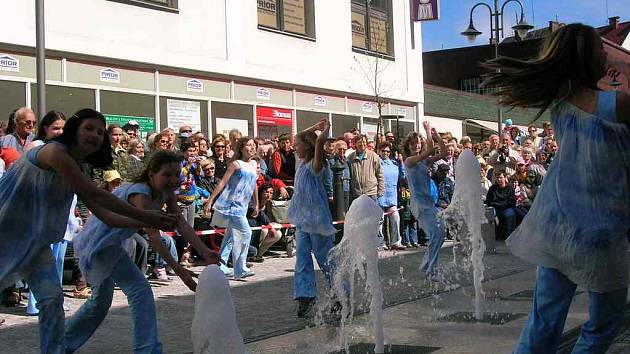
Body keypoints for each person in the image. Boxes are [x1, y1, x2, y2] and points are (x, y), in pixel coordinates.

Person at [483, 23, 630, 353]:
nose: (605, 53)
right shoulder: (617, 105)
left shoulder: (560, 105)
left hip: (557, 228)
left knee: (544, 321)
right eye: (598, 48)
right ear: (582, 58)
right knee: (604, 323)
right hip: (599, 232)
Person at [0, 108, 176, 353]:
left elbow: (105, 215)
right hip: (5, 235)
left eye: (100, 132)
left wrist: (147, 222)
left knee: (52, 300)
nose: (95, 135)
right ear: (74, 130)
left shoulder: (78, 169)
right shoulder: (55, 153)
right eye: (89, 128)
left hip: (35, 243)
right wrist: (147, 216)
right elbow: (96, 194)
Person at [66, 150, 220, 353]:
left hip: (113, 243)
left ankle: (60, 344)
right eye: (167, 174)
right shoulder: (141, 193)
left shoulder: (166, 192)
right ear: (151, 174)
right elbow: (154, 237)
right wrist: (178, 269)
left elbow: (180, 222)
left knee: (100, 302)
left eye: (177, 174)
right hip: (101, 244)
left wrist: (205, 250)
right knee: (139, 291)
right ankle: (147, 349)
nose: (173, 180)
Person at [288, 119, 337, 318]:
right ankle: (305, 296)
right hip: (302, 220)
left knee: (325, 260)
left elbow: (315, 146)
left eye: (298, 146)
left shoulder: (315, 166)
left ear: (308, 147)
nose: (295, 147)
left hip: (317, 220)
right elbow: (299, 135)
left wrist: (321, 136)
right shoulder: (300, 162)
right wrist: (314, 126)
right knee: (301, 258)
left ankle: (339, 294)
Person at [204, 137, 259, 279]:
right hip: (232, 206)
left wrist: (256, 203)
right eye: (249, 145)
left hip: (243, 206)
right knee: (246, 233)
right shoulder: (236, 164)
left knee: (229, 236)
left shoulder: (254, 164)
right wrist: (210, 200)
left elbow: (254, 185)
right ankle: (240, 268)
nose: (252, 148)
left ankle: (220, 265)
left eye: (254, 145)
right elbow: (222, 183)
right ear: (241, 147)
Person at [402, 122, 447, 279]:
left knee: (441, 233)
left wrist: (436, 136)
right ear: (408, 147)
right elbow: (429, 150)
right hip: (420, 205)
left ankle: (427, 264)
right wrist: (427, 131)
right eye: (413, 144)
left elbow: (443, 153)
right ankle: (431, 270)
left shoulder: (424, 161)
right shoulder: (409, 161)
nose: (416, 145)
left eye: (418, 143)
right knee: (435, 234)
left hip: (429, 203)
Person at [377, 142, 404, 250]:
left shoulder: (394, 163)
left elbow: (402, 176)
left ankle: (395, 242)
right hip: (379, 195)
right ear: (379, 151)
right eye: (383, 151)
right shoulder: (376, 162)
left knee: (395, 217)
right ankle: (380, 243)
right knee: (379, 220)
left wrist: (401, 163)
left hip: (392, 196)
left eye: (388, 151)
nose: (385, 153)